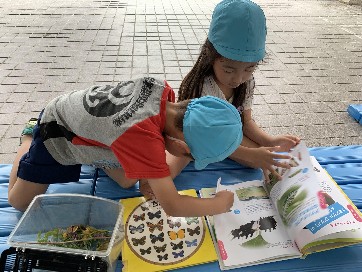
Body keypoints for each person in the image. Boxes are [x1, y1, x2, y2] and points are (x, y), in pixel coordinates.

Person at [8, 77, 243, 216]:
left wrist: (148, 173)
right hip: (56, 131)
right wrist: (217, 204)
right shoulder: (144, 139)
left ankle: (93, 152)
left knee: (128, 179)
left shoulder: (161, 89)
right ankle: (29, 136)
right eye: (190, 157)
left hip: (83, 118)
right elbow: (172, 205)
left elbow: (128, 130)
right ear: (181, 142)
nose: (186, 160)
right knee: (19, 202)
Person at [173, 0, 300, 180]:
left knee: (265, 156)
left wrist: (269, 141)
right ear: (211, 55)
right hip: (202, 137)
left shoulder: (246, 83)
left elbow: (246, 121)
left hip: (229, 134)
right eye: (228, 69)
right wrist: (251, 155)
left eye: (249, 69)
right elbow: (207, 137)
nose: (238, 79)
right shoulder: (203, 88)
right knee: (258, 159)